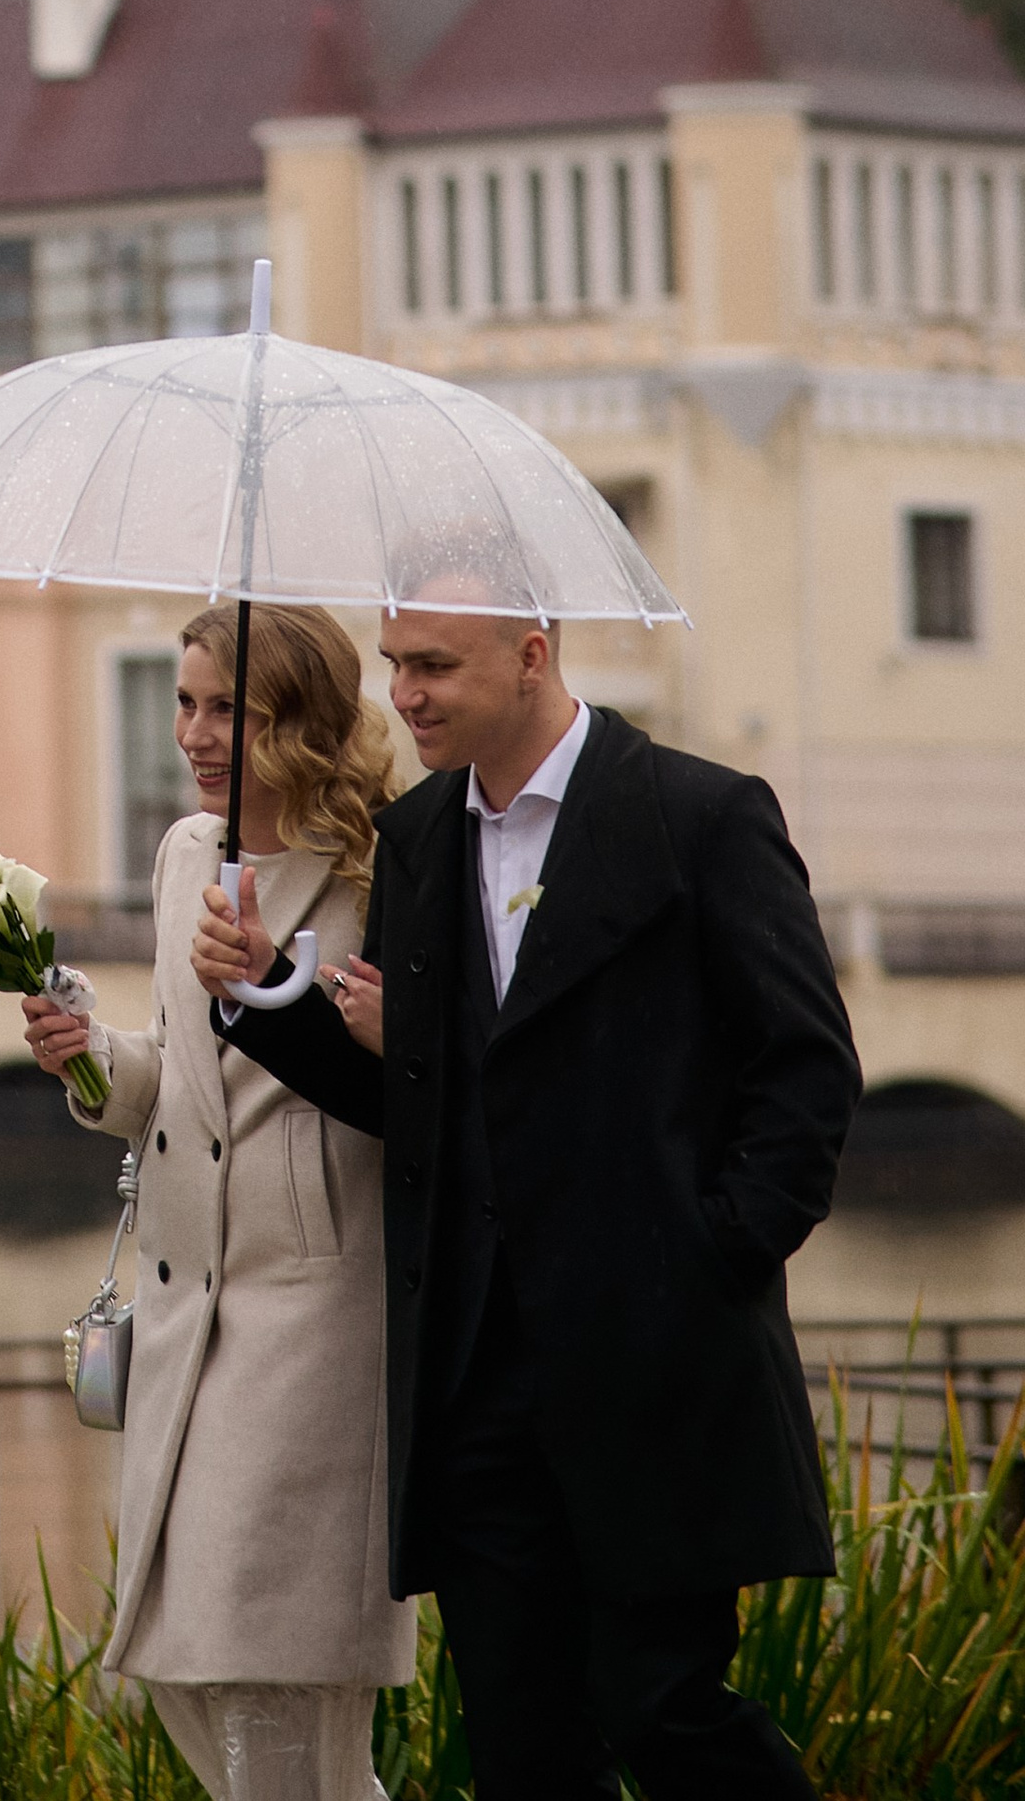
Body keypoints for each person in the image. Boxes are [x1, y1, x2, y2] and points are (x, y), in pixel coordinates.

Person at [193, 605, 861, 1801]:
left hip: (652, 1359)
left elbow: (803, 1071)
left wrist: (711, 1257)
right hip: (476, 1379)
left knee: (661, 1707)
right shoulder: (413, 838)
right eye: (396, 662)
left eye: (433, 664)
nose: (402, 692)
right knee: (519, 1743)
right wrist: (262, 996)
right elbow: (421, 1097)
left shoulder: (699, 813)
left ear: (532, 655)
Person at [24, 604, 413, 1801]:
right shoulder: (186, 852)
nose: (195, 730)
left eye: (226, 706)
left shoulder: (381, 864)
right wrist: (89, 1054)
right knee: (180, 1660)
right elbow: (178, 1085)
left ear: (296, 718)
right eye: (184, 699)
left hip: (312, 1311)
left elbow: (408, 1079)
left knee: (267, 1669)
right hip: (185, 1306)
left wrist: (272, 983)